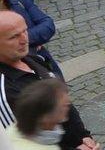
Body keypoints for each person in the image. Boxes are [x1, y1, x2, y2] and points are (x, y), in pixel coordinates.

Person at [0, 12, 93, 149]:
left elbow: (64, 103)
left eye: (25, 31)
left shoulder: (34, 59)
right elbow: (17, 143)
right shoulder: (4, 90)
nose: (24, 39)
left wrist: (84, 136)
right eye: (13, 37)